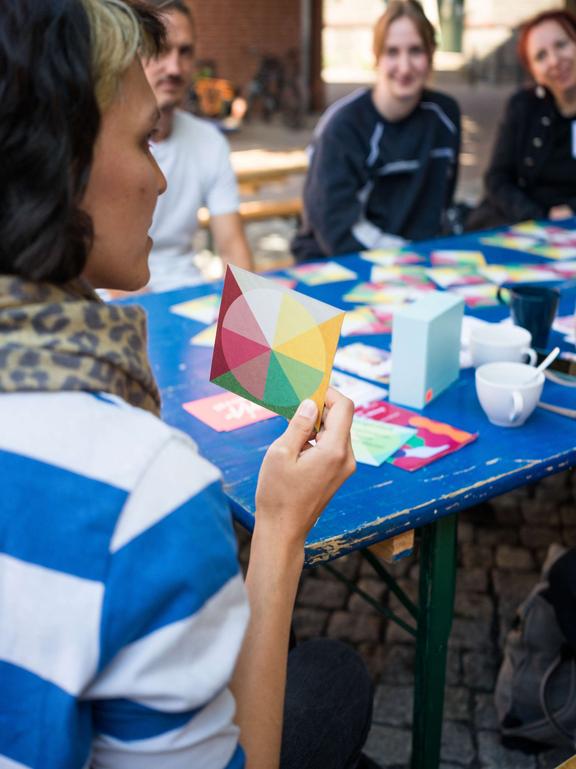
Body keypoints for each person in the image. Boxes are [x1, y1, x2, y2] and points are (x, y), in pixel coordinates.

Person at [0, 1, 378, 768]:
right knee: (336, 677)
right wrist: (277, 529)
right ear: (59, 162)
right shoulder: (149, 492)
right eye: (143, 141)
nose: (162, 176)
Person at [291, 0, 461, 262]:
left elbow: (441, 204)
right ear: (376, 57)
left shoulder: (445, 116)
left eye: (415, 51)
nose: (404, 67)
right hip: (336, 261)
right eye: (392, 52)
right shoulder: (343, 127)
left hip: (416, 263)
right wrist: (406, 257)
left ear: (431, 54)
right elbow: (335, 230)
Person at [142, 0, 253, 291]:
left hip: (187, 290)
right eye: (162, 48)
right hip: (115, 302)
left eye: (185, 51)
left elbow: (232, 248)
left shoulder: (210, 142)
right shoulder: (98, 139)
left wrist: (254, 322)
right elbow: (102, 267)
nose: (175, 67)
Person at [467, 9, 576, 230]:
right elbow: (497, 178)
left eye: (561, 45)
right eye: (541, 56)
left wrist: (571, 211)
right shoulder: (523, 106)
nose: (554, 60)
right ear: (534, 72)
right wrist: (539, 217)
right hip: (522, 223)